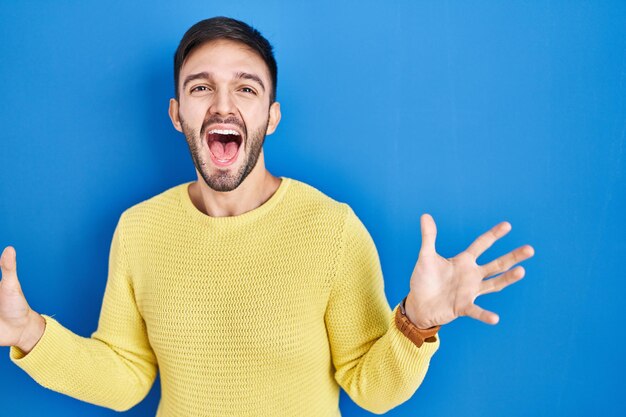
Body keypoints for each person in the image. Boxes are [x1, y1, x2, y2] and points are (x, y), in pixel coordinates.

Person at [0, 16, 534, 417]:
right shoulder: (139, 230)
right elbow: (127, 376)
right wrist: (31, 333)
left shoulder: (331, 229)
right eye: (201, 87)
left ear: (271, 117)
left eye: (246, 88)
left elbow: (371, 388)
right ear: (177, 113)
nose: (222, 105)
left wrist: (418, 323)